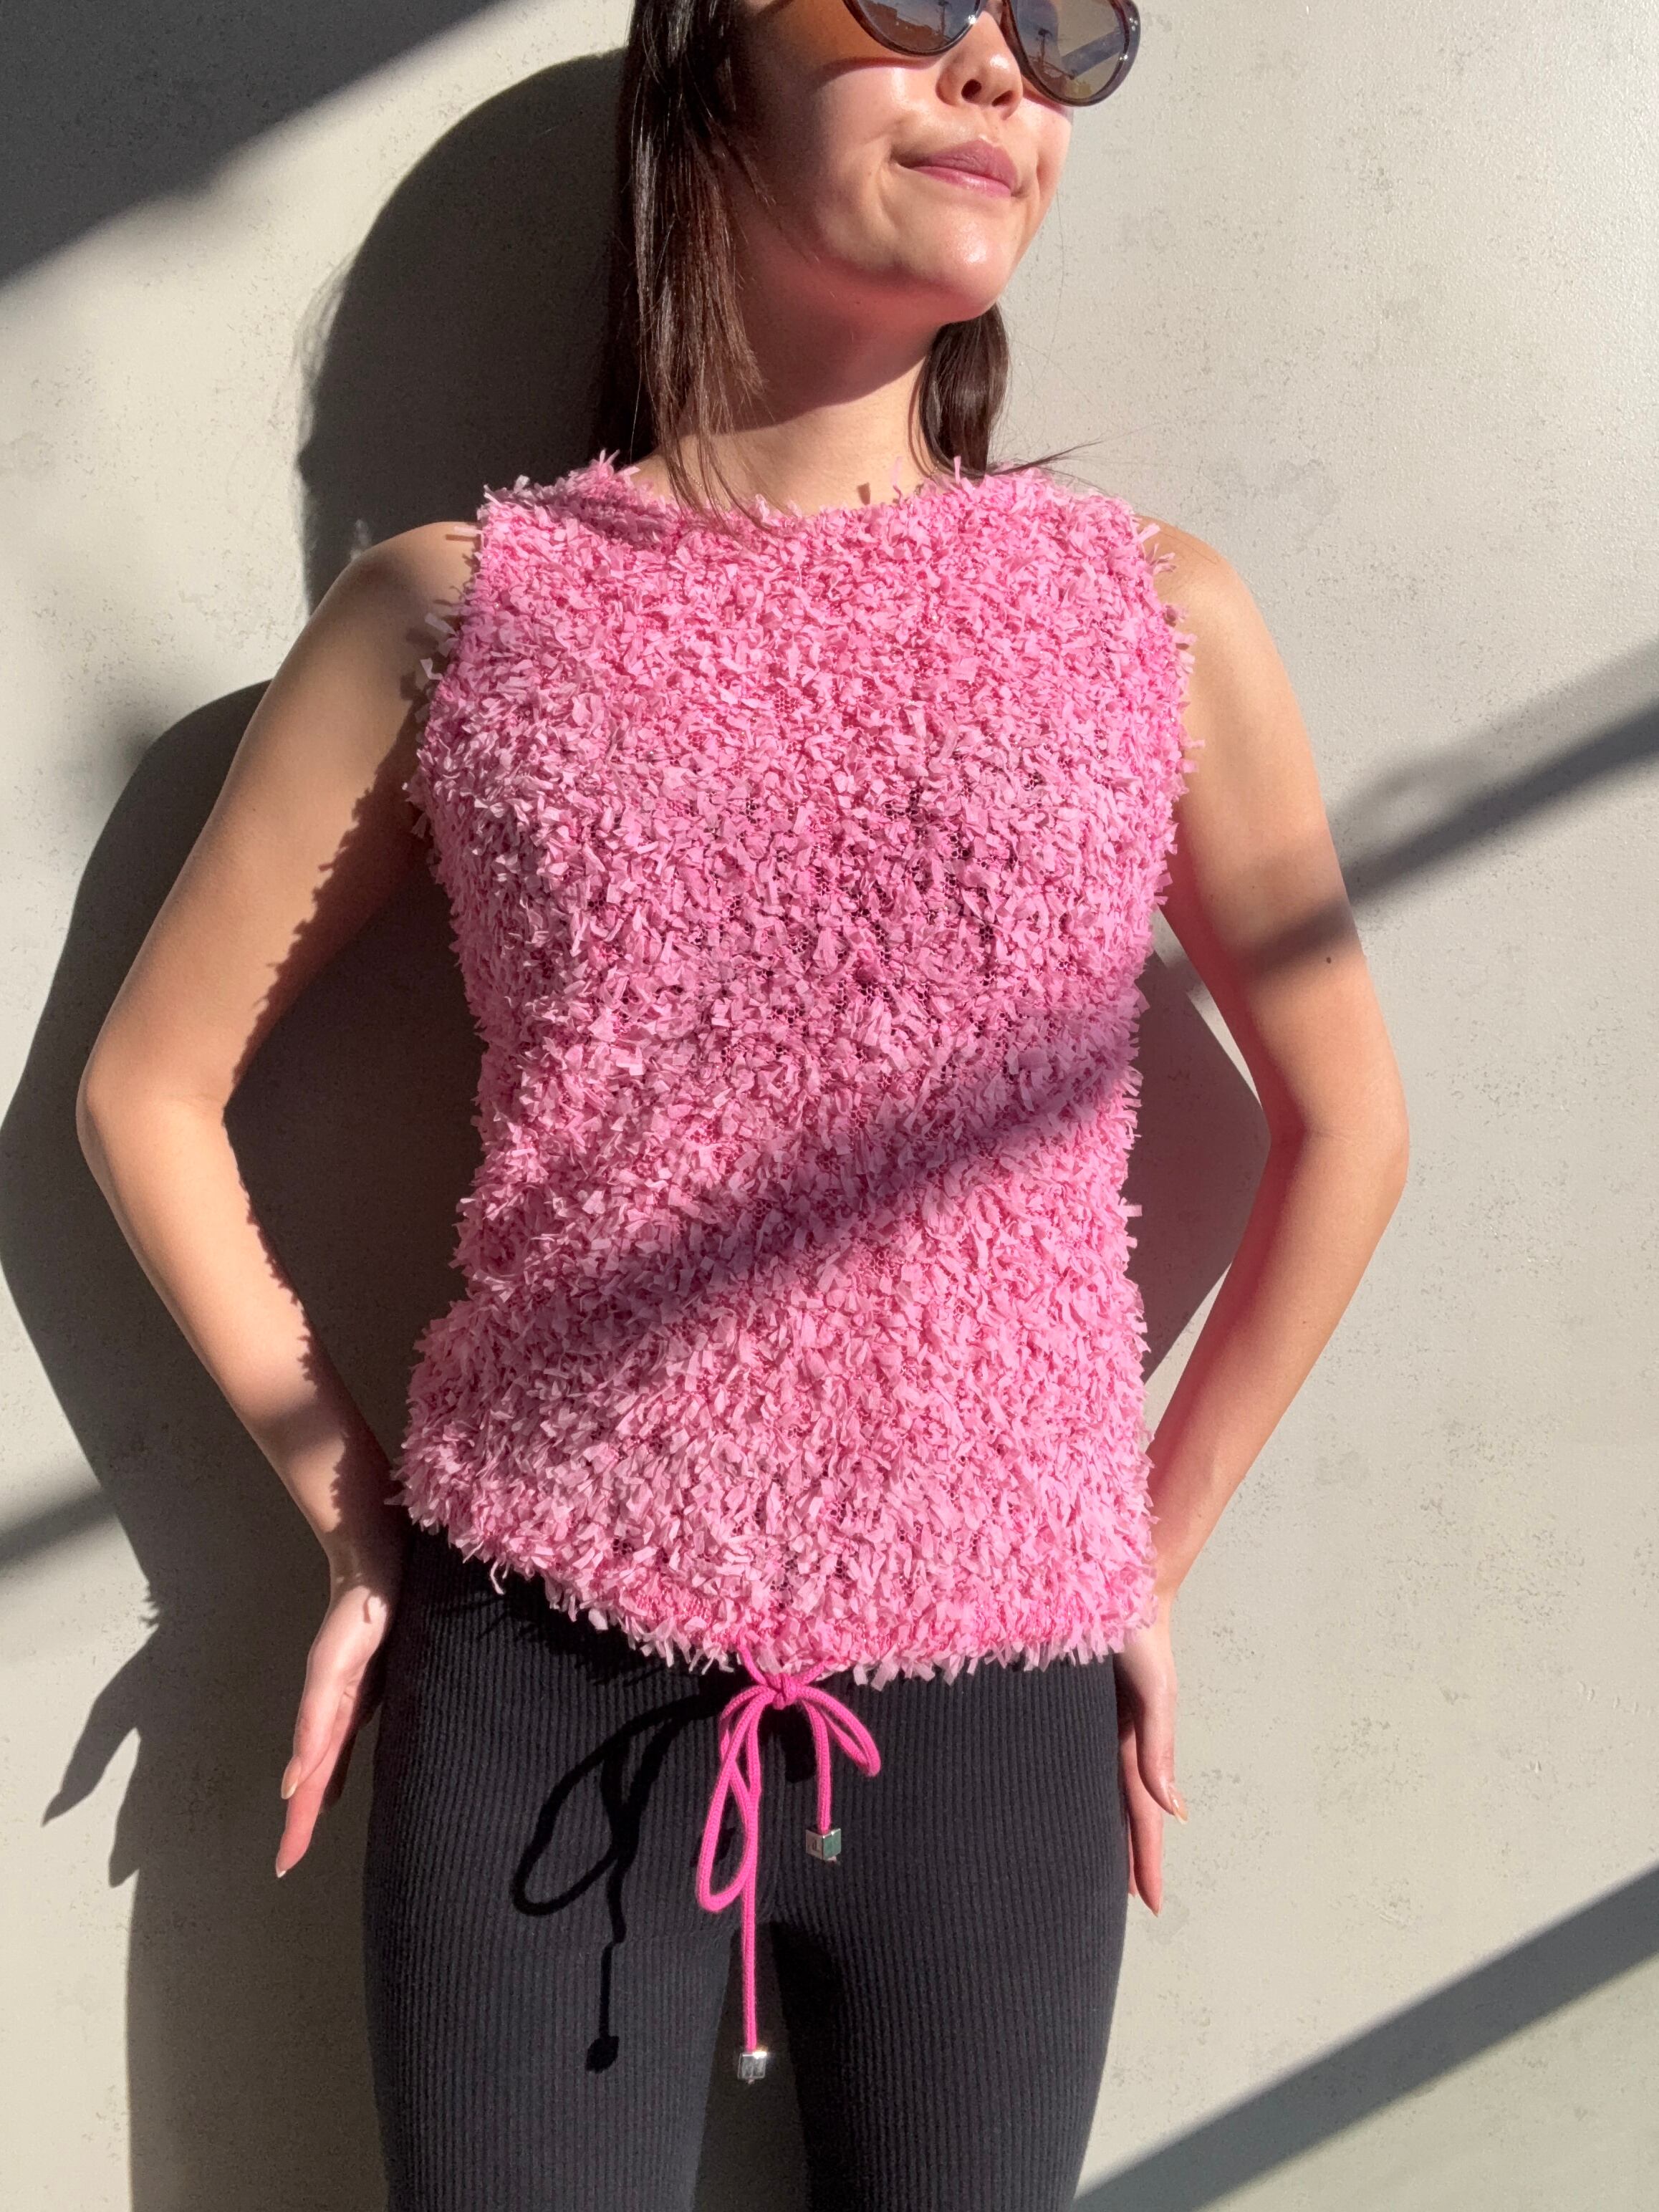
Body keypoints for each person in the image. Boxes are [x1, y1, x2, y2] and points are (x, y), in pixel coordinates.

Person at [75, 0, 1410, 2205]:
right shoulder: (458, 613)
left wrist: (1134, 1547)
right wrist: (350, 1517)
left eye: (1068, 28)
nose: (1001, 71)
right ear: (707, 64)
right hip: (539, 1670)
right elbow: (147, 1089)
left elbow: (1348, 1121)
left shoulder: (1144, 615)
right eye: (919, 0)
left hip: (994, 1692)